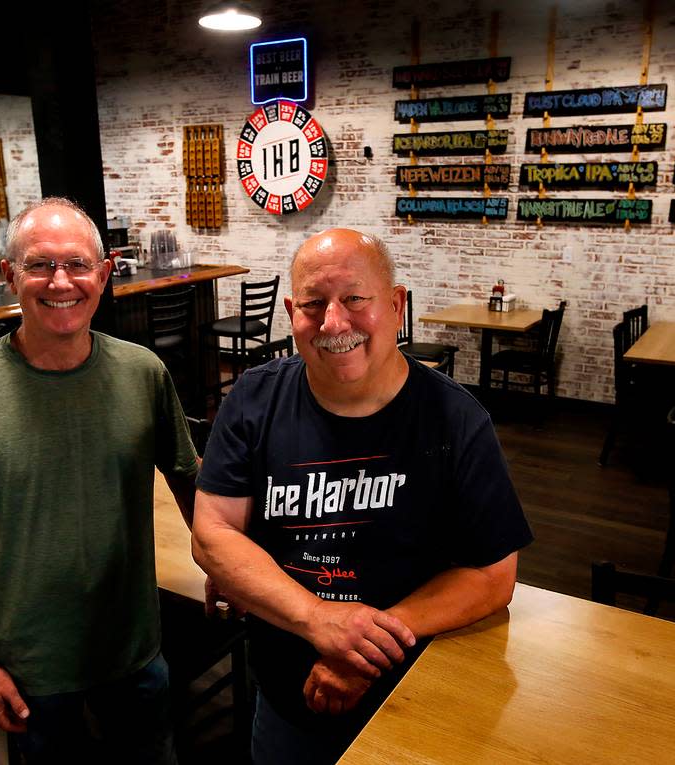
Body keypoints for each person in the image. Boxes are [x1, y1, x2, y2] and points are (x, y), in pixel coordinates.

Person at [192, 228, 533, 764]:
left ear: (395, 305)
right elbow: (213, 534)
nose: (333, 323)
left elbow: (492, 574)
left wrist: (360, 650)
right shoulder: (254, 398)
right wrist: (317, 618)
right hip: (285, 698)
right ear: (290, 312)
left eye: (354, 299)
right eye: (312, 304)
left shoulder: (456, 418)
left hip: (416, 695)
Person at [0, 197, 198, 763]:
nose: (60, 282)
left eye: (76, 264)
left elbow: (191, 484)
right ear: (9, 276)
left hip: (134, 650)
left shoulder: (144, 373)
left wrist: (222, 568)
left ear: (104, 273)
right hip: (30, 669)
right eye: (40, 265)